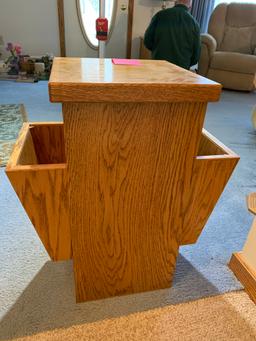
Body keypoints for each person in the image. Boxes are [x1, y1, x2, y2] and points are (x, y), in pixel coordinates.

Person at [144, 0, 201, 70]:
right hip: (181, 70)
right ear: (190, 6)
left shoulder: (159, 15)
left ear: (175, 2)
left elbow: (147, 41)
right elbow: (196, 56)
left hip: (158, 66)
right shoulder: (194, 24)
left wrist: (157, 52)